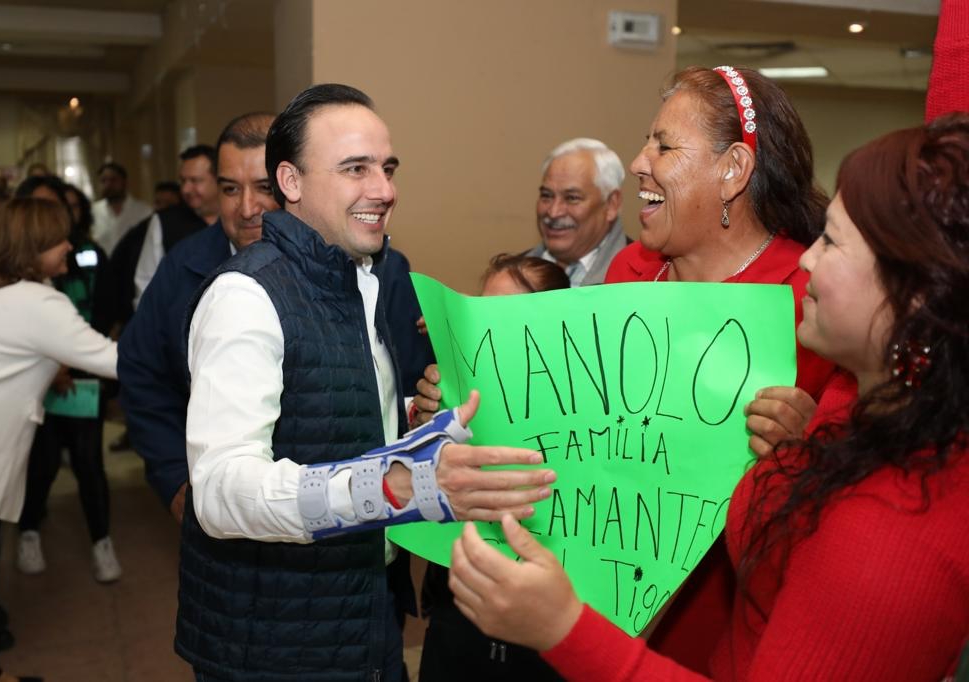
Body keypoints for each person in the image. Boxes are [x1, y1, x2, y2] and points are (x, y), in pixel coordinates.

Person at [449, 113, 969, 682]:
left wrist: (563, 629)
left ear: (911, 294)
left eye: (831, 241)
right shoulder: (863, 426)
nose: (806, 258)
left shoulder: (891, 530)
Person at [413, 66, 843, 673]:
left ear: (733, 170)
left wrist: (808, 448)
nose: (640, 162)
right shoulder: (630, 275)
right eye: (647, 143)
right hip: (590, 621)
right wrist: (463, 400)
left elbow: (854, 506)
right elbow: (576, 437)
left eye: (664, 146)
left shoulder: (809, 298)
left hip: (721, 633)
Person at [174, 84, 555, 682]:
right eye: (356, 169)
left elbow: (335, 417)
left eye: (387, 168)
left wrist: (421, 424)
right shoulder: (246, 296)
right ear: (291, 182)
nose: (383, 189)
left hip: (364, 616)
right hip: (277, 645)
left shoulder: (364, 281)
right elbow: (221, 493)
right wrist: (399, 484)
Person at [0, 197, 118, 682]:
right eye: (58, 239)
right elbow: (117, 362)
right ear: (32, 246)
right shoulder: (39, 303)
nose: (69, 247)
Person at [119, 112, 280, 522]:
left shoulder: (348, 266)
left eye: (264, 187)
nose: (248, 208)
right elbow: (141, 369)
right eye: (230, 189)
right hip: (218, 512)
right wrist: (173, 475)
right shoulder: (183, 266)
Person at [418, 253, 569, 682]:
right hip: (457, 616)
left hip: (543, 637)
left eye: (508, 316)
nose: (487, 329)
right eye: (481, 312)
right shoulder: (456, 392)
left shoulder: (583, 421)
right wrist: (427, 423)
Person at [11, 177, 121, 583]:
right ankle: (28, 532)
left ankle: (102, 541)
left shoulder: (87, 253)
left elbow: (106, 310)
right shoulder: (12, 275)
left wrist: (77, 362)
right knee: (40, 465)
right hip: (35, 382)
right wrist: (51, 364)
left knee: (89, 462)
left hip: (84, 376)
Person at [527, 138, 629, 287]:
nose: (554, 212)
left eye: (572, 198)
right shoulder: (511, 278)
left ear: (611, 204)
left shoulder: (644, 281)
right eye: (546, 196)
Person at [133, 144, 220, 305]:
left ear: (218, 180)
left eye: (195, 180)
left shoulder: (236, 220)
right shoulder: (164, 222)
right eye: (183, 180)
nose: (186, 189)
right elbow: (145, 282)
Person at [91, 161, 152, 255]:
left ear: (125, 182)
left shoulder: (144, 211)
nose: (108, 185)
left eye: (113, 180)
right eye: (103, 181)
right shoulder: (92, 212)